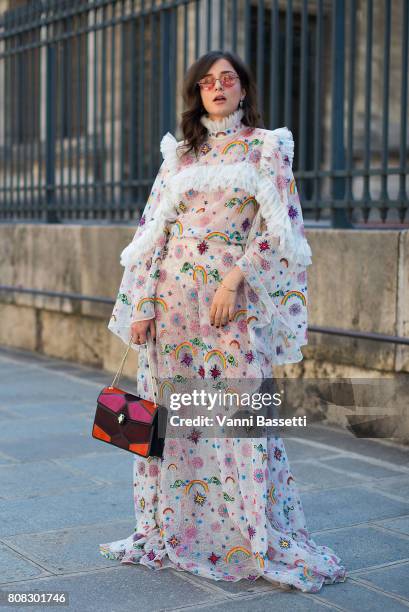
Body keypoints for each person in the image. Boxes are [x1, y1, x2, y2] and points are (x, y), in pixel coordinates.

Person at [99, 50, 347, 593]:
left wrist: (235, 279)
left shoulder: (266, 148)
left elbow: (281, 232)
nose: (217, 88)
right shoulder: (179, 156)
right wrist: (141, 302)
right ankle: (172, 529)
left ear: (242, 90)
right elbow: (150, 235)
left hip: (231, 305)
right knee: (171, 419)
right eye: (208, 81)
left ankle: (246, 533)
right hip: (171, 309)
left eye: (227, 80)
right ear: (198, 92)